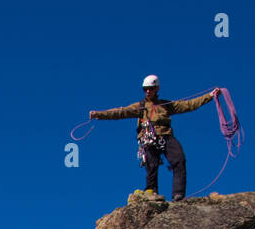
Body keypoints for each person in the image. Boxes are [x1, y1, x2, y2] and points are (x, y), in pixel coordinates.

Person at [90, 76, 220, 201]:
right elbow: (120, 112)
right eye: (145, 88)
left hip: (166, 135)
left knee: (179, 160)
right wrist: (99, 115)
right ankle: (151, 191)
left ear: (157, 88)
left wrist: (209, 96)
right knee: (151, 165)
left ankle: (178, 194)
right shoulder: (140, 106)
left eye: (150, 88)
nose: (148, 91)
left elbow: (189, 105)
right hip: (148, 138)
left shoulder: (166, 105)